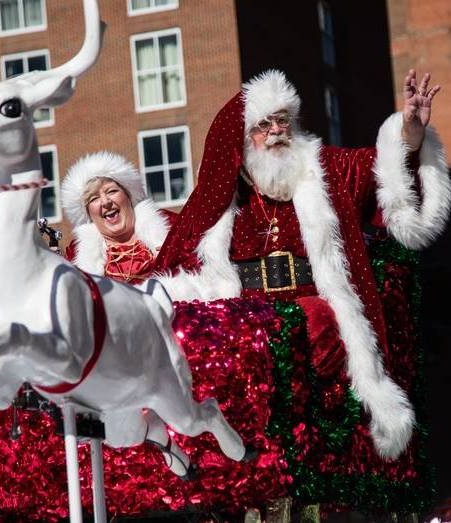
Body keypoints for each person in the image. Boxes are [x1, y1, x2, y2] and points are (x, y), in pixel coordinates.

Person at [153, 68, 450, 516]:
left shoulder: (324, 168)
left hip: (320, 329)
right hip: (249, 331)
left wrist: (410, 128)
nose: (276, 133)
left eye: (283, 122)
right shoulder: (220, 198)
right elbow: (172, 271)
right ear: (241, 139)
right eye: (264, 125)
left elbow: (382, 167)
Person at [61, 150, 176, 283]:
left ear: (129, 196)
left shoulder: (171, 227)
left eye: (112, 191)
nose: (106, 202)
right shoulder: (77, 257)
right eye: (94, 198)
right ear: (89, 214)